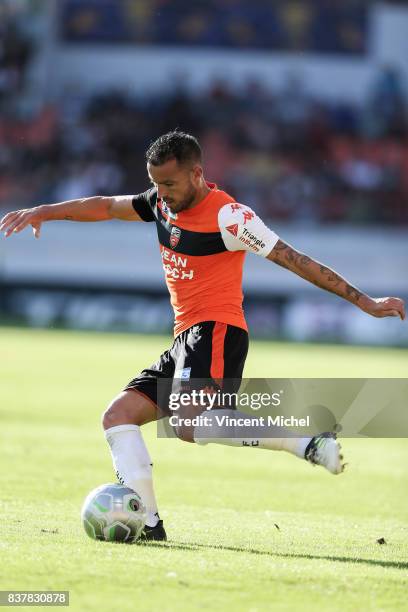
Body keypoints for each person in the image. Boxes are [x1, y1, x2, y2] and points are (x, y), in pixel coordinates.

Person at [1, 131, 405, 541]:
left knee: (188, 424)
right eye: (156, 183)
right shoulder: (160, 201)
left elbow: (295, 260)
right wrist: (44, 211)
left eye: (170, 184)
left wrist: (364, 301)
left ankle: (305, 443)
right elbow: (106, 206)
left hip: (217, 330)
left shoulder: (231, 217)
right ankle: (150, 527)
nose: (162, 193)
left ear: (197, 173)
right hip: (184, 338)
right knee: (117, 417)